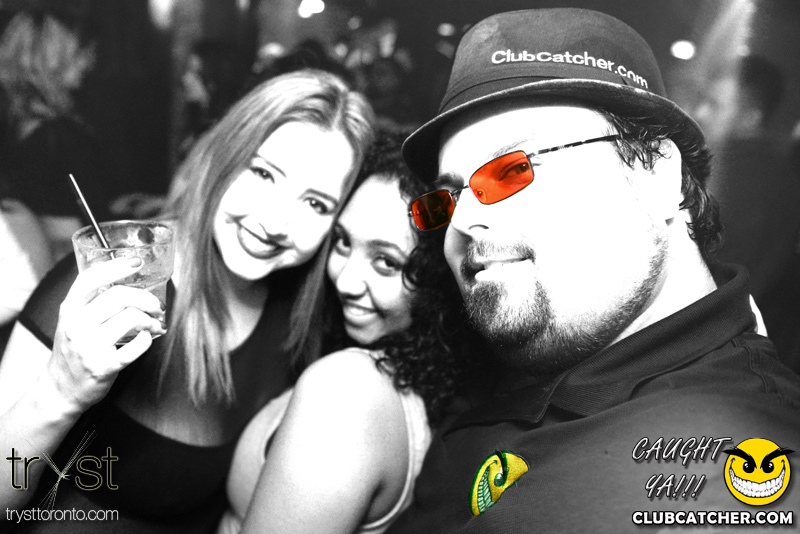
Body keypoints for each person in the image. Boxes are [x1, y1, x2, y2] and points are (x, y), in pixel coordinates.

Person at [385, 8, 800, 533]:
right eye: (448, 196)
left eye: (514, 169)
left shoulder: (727, 469)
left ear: (657, 174)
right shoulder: (530, 346)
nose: (462, 220)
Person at [0, 69, 374, 532]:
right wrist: (61, 390)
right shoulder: (114, 283)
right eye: (263, 173)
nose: (276, 222)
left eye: (316, 204)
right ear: (224, 157)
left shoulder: (298, 321)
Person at [217, 129, 481, 534]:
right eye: (342, 242)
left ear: (436, 279)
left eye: (386, 262)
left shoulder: (345, 393)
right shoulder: (413, 381)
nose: (345, 281)